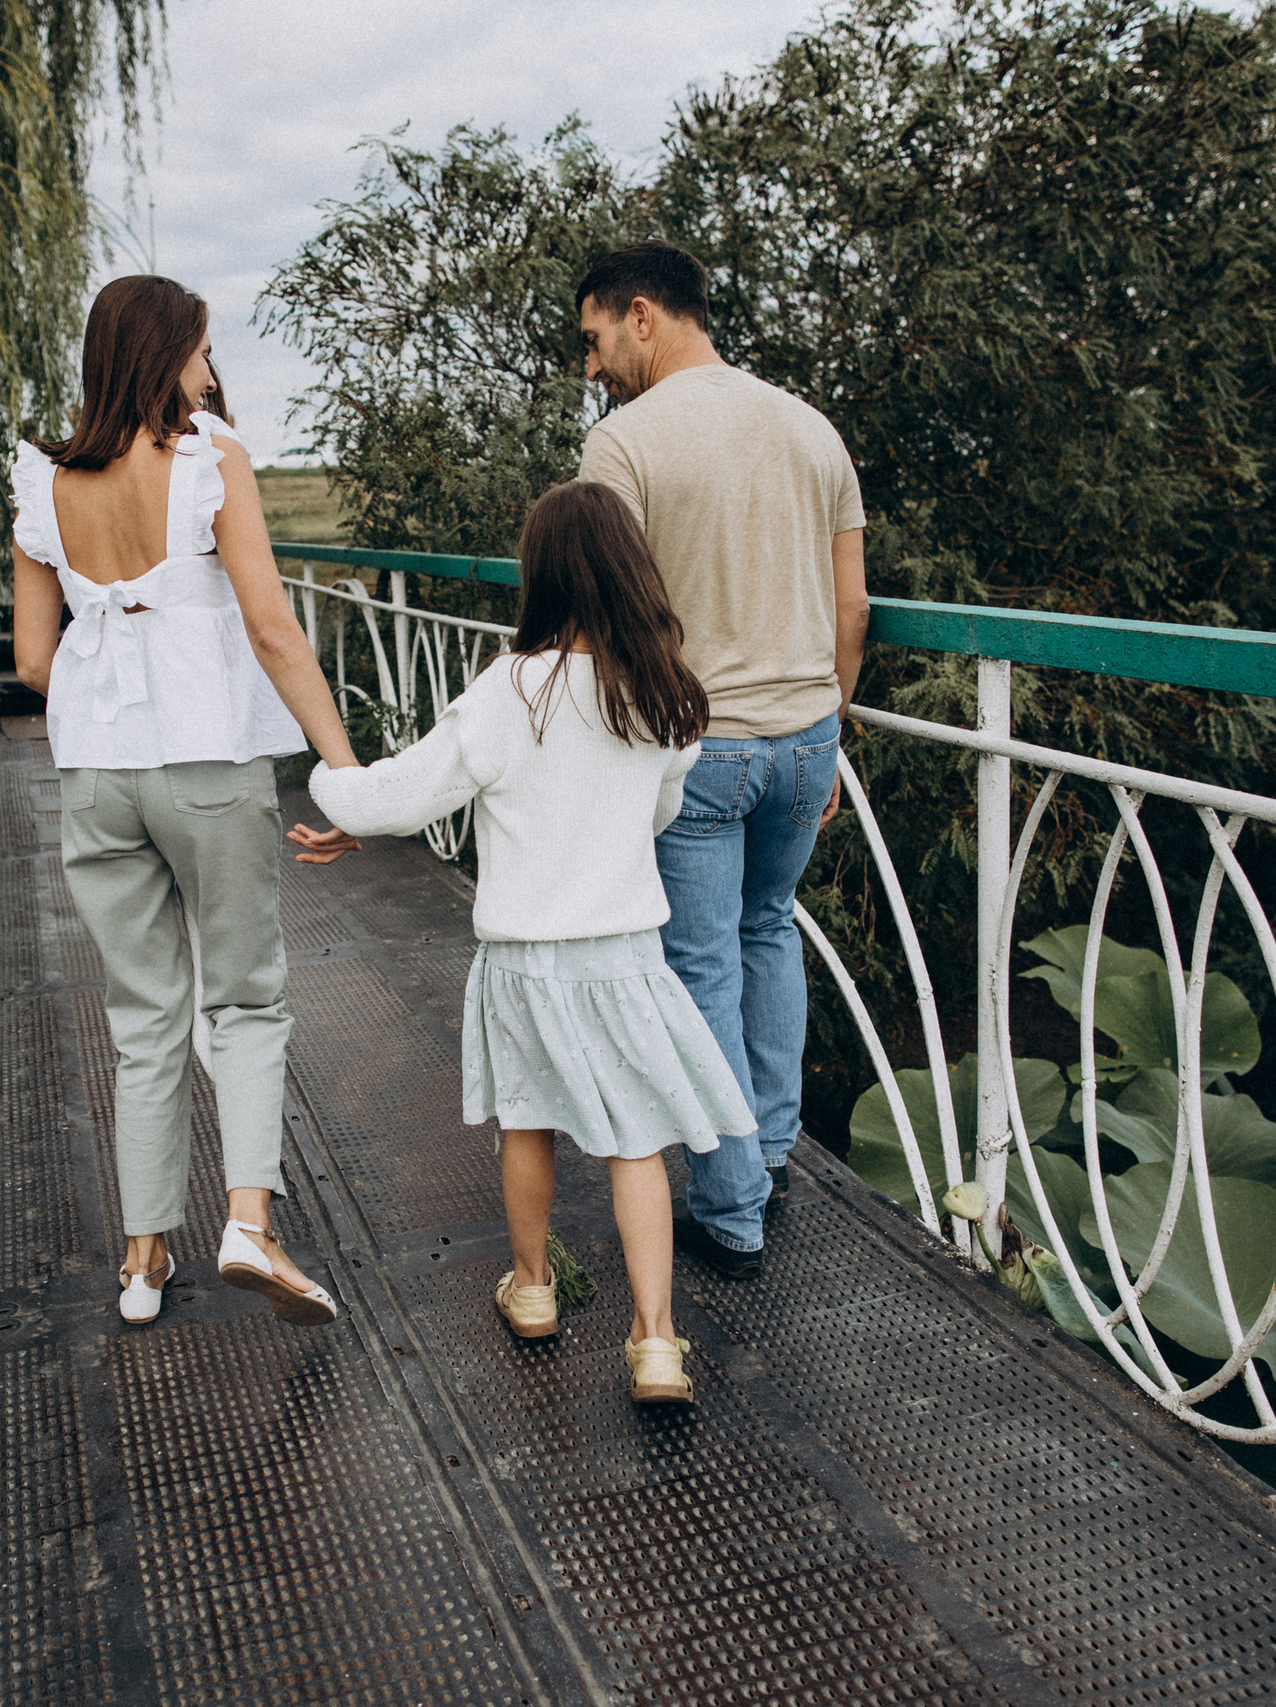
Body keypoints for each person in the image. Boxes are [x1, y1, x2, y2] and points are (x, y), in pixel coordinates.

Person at [295, 482, 754, 1405]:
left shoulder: (508, 691)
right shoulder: (660, 694)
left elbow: (405, 793)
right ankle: (657, 1340)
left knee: (527, 1118)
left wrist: (331, 794)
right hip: (625, 956)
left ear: (540, 575)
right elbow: (660, 805)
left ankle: (535, 1288)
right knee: (639, 1143)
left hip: (527, 963)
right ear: (631, 569)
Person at [11, 275, 363, 1330]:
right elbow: (269, 627)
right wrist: (338, 770)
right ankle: (248, 1222)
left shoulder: (43, 483)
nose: (210, 375)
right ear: (168, 354)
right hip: (206, 764)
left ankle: (141, 1258)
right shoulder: (209, 457)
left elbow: (35, 660)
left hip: (97, 775)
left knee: (142, 1017)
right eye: (202, 352)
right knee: (246, 997)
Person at [573, 240, 869, 1282]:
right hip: (804, 738)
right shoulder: (810, 427)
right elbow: (852, 607)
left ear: (642, 315)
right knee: (766, 933)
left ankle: (732, 1209)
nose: (594, 367)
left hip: (697, 748)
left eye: (596, 339)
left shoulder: (623, 447)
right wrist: (830, 722)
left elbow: (610, 620)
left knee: (697, 967)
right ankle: (773, 1152)